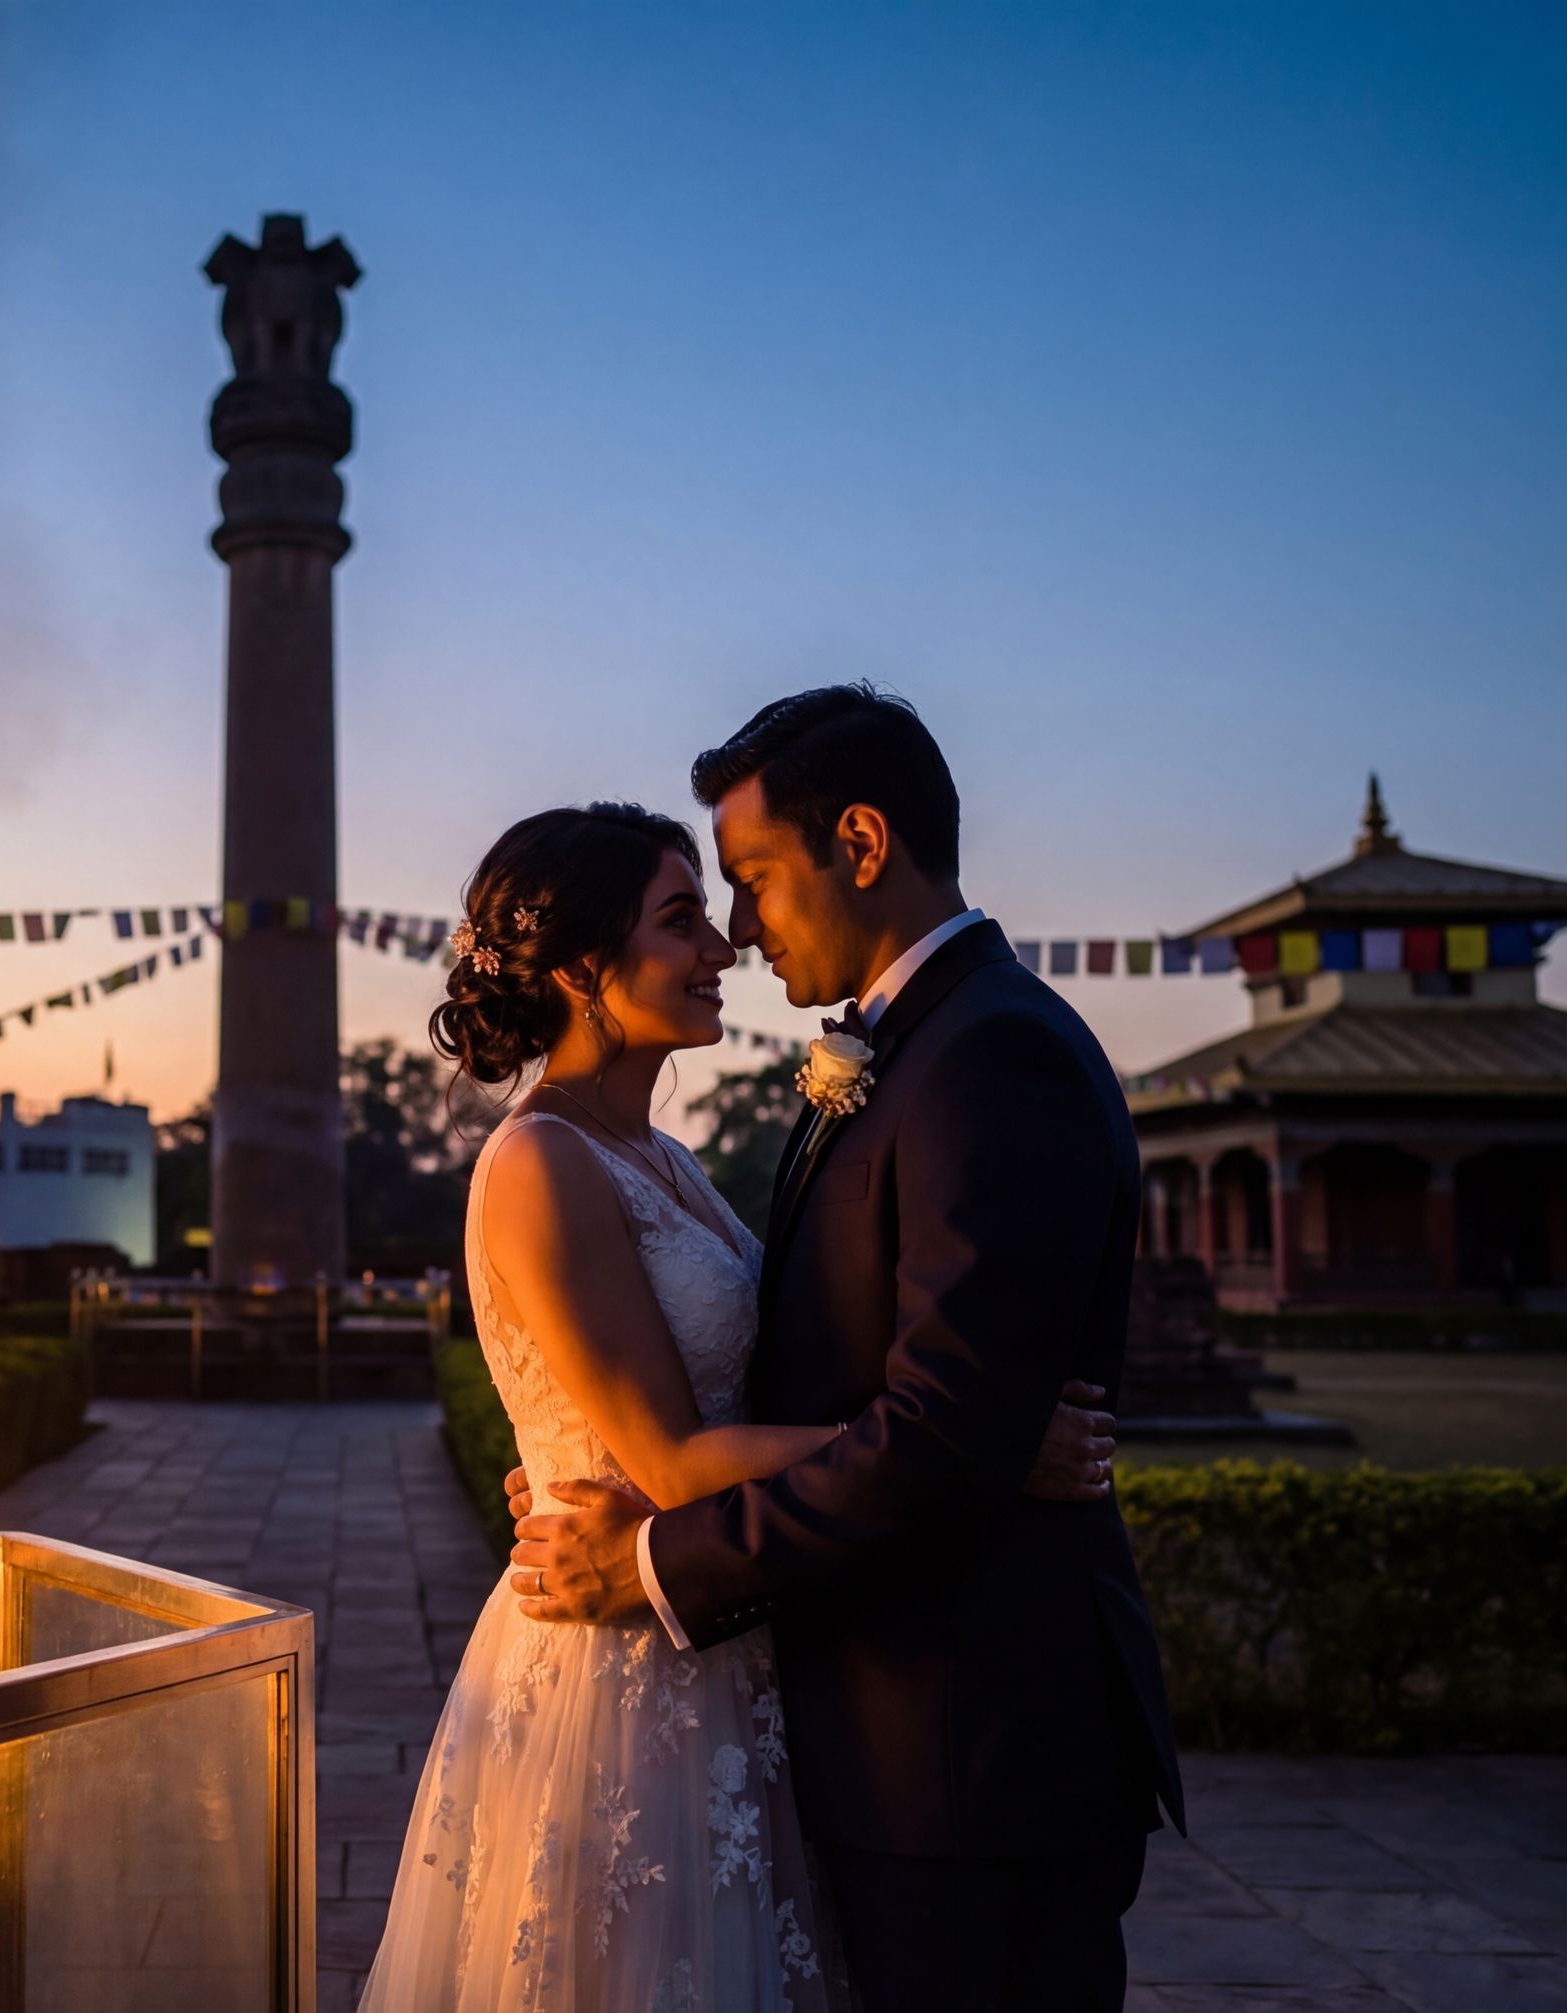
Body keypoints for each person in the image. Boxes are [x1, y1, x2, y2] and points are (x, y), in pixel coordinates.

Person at [356, 793, 1119, 2012]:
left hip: (729, 1636)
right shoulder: (540, 1160)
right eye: (683, 921)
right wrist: (982, 1450)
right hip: (622, 1673)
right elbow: (669, 1453)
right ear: (583, 970)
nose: (725, 950)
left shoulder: (662, 1157)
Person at [507, 689, 1185, 2012]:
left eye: (754, 879)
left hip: (968, 1751)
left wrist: (650, 1556)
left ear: (861, 844)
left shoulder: (992, 1058)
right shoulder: (920, 1047)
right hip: (884, 1738)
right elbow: (843, 1387)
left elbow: (940, 1438)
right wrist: (600, 1460)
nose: (740, 926)